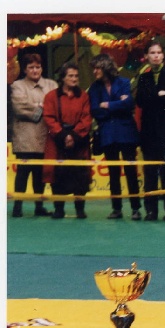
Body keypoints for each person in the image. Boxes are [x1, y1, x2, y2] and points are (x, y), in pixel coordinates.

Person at [88, 53, 142, 220]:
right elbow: (95, 110)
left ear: (106, 67)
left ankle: (135, 208)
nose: (95, 71)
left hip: (126, 133)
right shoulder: (94, 88)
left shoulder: (124, 82)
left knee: (131, 171)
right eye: (94, 68)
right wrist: (117, 105)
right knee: (113, 172)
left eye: (97, 68)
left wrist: (108, 105)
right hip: (107, 134)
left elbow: (129, 104)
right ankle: (116, 208)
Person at [135, 40, 165, 221]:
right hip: (148, 131)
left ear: (163, 55)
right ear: (146, 56)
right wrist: (158, 95)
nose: (155, 56)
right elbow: (140, 101)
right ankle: (151, 210)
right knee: (150, 172)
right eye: (152, 53)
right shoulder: (144, 77)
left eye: (158, 52)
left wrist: (155, 96)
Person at [42, 62, 92, 219]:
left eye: (76, 76)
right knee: (57, 176)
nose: (74, 79)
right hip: (57, 141)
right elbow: (48, 117)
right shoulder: (51, 96)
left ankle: (80, 209)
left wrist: (74, 136)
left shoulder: (84, 96)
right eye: (70, 75)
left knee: (81, 177)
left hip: (79, 142)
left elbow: (86, 118)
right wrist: (63, 135)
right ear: (62, 77)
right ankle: (59, 209)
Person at [10, 53, 58, 217]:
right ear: (24, 70)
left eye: (37, 67)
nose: (35, 70)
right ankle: (17, 206)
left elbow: (57, 106)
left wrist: (39, 106)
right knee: (23, 172)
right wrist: (44, 108)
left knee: (40, 174)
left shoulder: (51, 84)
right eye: (31, 67)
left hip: (46, 136)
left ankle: (39, 206)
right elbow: (19, 108)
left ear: (42, 68)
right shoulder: (17, 85)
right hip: (25, 137)